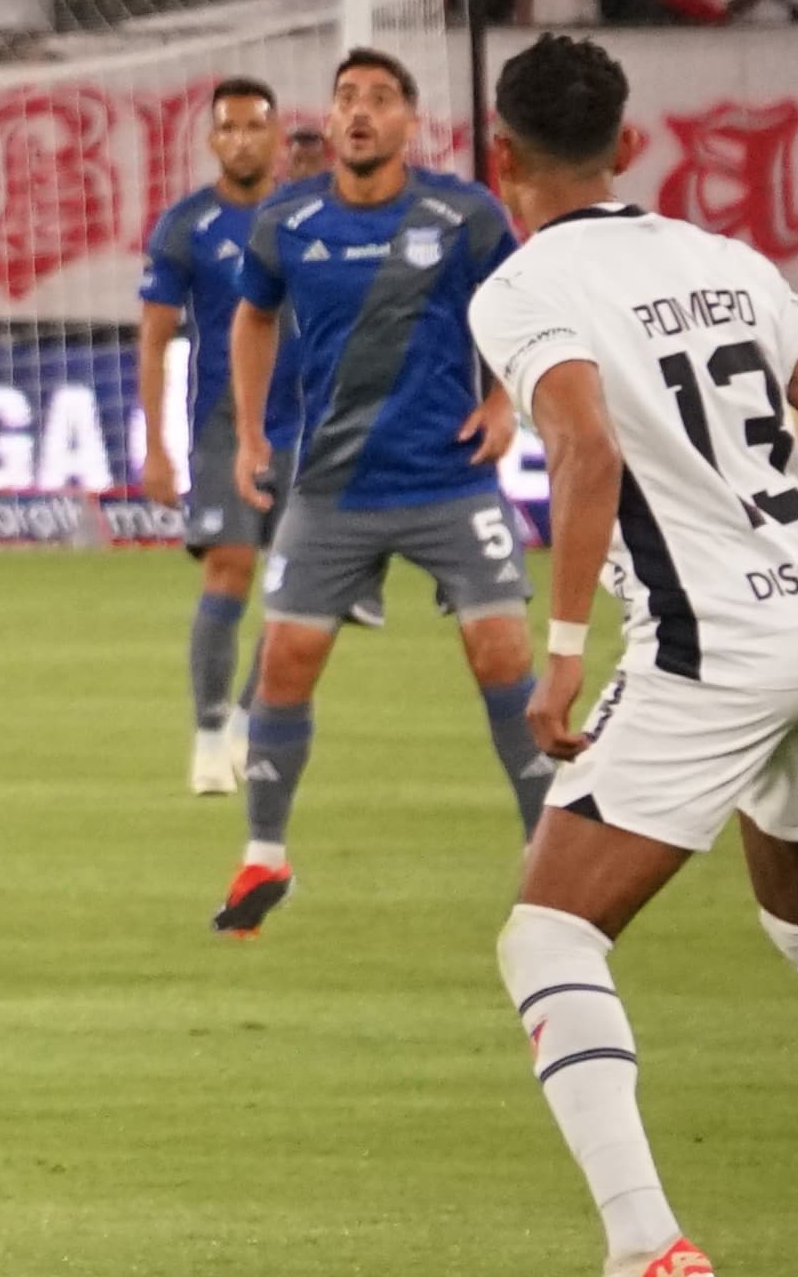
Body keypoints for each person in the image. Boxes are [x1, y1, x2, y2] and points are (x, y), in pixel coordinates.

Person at [466, 35, 798, 1277]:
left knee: (549, 937)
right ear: (629, 143)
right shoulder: (725, 258)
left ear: (500, 157)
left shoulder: (522, 287)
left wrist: (564, 647)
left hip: (711, 646)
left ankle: (645, 1248)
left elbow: (584, 447)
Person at [213, 47, 537, 935]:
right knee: (284, 662)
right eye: (347, 97)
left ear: (409, 121)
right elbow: (253, 317)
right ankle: (263, 859)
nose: (360, 111)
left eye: (381, 98)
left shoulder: (463, 215)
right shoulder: (287, 220)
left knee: (503, 655)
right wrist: (251, 434)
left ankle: (545, 847)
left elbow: (523, 306)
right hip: (331, 488)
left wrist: (504, 402)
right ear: (330, 118)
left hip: (449, 479)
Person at [137, 78, 280, 797]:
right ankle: (208, 735)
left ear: (276, 135)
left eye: (255, 126)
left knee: (304, 590)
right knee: (229, 565)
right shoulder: (187, 225)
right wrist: (156, 445)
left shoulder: (309, 216)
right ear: (211, 139)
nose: (242, 139)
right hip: (225, 419)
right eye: (230, 127)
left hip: (312, 421)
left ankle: (249, 722)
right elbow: (154, 338)